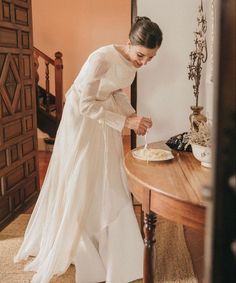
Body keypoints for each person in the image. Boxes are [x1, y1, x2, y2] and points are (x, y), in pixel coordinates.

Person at [14, 16, 163, 283]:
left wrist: (133, 114)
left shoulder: (132, 61)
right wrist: (125, 122)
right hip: (81, 120)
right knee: (81, 174)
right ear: (129, 42)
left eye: (150, 59)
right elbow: (85, 104)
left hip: (103, 118)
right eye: (141, 55)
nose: (143, 63)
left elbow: (113, 92)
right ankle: (77, 242)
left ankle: (111, 243)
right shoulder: (101, 59)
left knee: (106, 175)